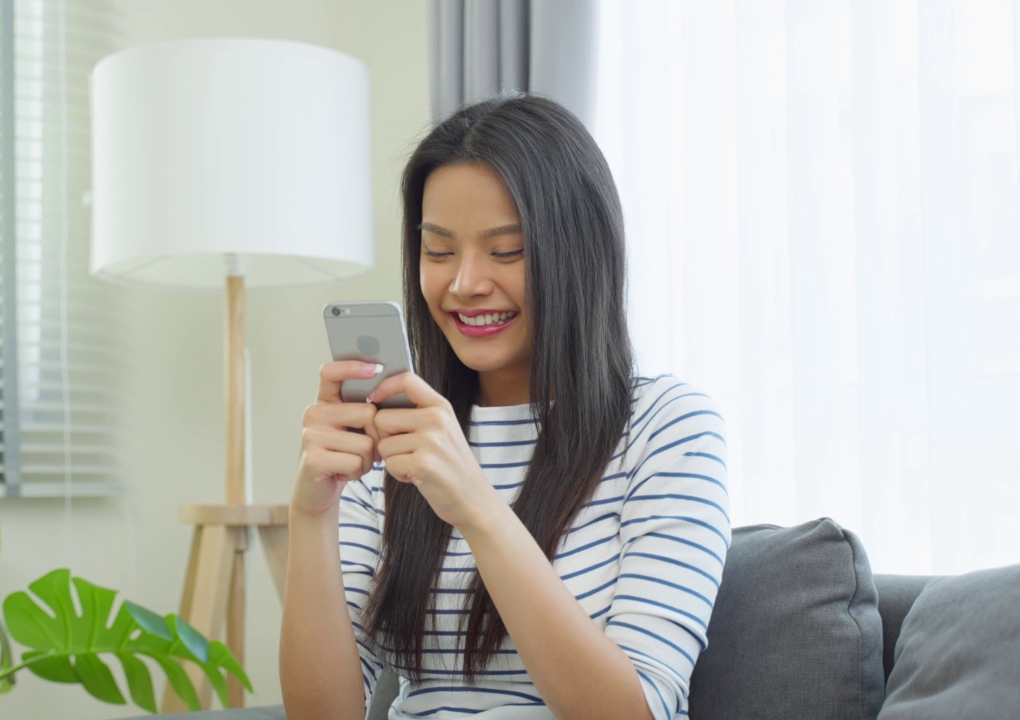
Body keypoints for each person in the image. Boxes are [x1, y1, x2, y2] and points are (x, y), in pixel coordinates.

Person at [280, 93, 729, 720]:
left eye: (507, 250)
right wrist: (310, 515)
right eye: (438, 251)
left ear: (578, 253)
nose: (464, 283)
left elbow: (635, 711)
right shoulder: (395, 434)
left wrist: (475, 505)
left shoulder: (668, 429)